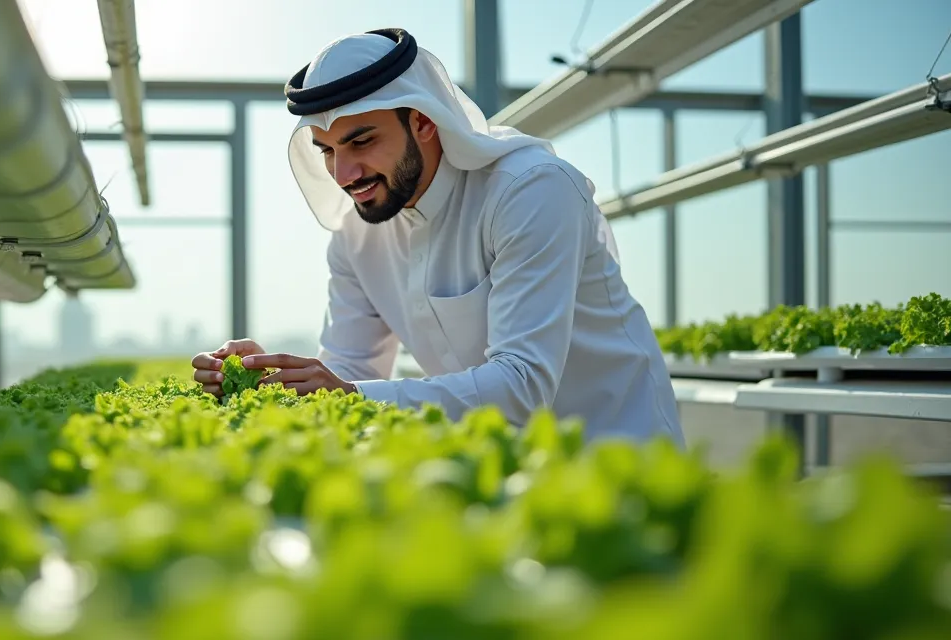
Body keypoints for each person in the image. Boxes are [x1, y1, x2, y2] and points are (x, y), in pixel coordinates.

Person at [191, 28, 685, 446]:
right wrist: (270, 378)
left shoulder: (530, 190)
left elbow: (523, 385)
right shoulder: (355, 236)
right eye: (327, 151)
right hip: (504, 472)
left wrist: (347, 391)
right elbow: (350, 371)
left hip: (624, 460)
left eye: (362, 141)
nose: (344, 174)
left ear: (424, 121)